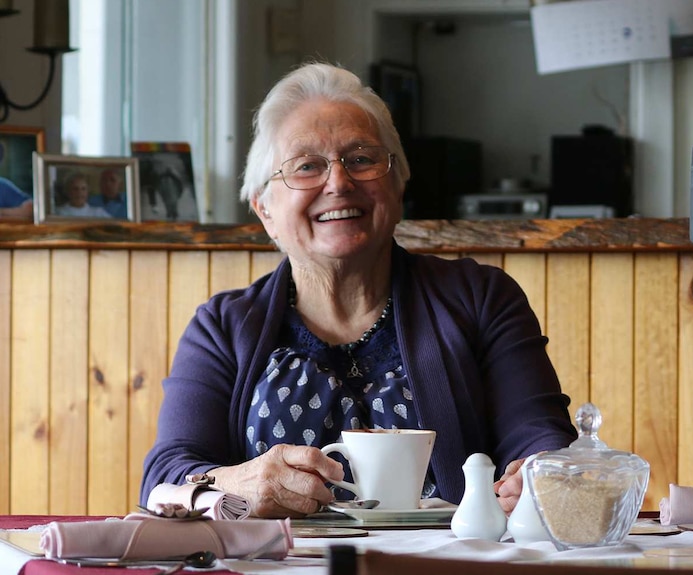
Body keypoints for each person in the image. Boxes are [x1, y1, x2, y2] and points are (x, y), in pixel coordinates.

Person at [140, 62, 577, 518]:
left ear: (398, 181)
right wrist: (232, 483)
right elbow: (165, 472)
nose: (339, 182)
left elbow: (540, 434)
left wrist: (538, 474)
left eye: (362, 159)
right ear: (264, 208)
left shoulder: (482, 298)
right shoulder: (223, 326)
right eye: (307, 166)